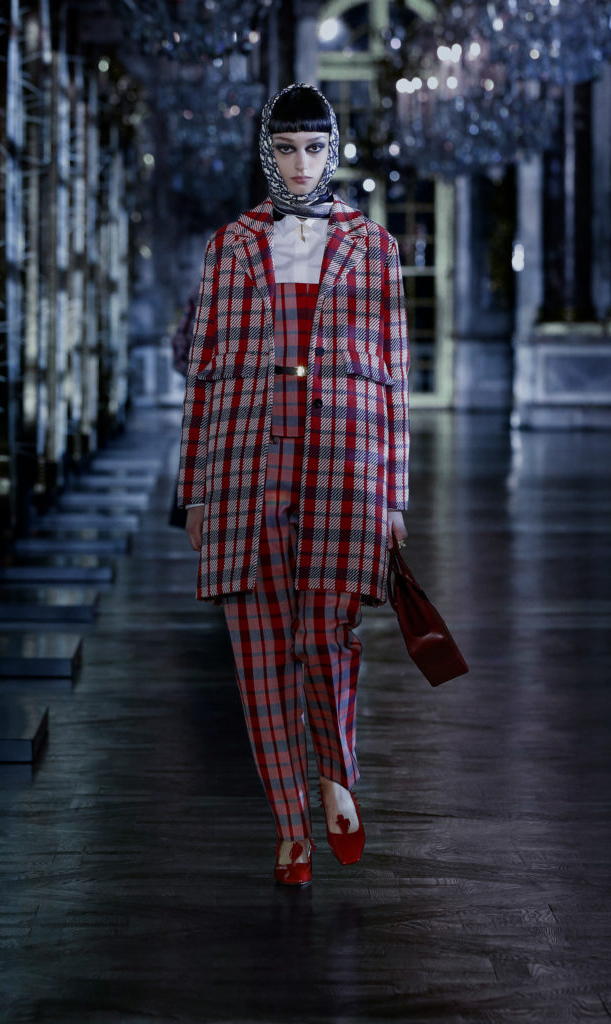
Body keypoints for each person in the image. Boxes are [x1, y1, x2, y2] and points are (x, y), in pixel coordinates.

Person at [177, 83, 410, 885]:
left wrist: (394, 497)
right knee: (259, 654)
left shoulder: (373, 248)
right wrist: (195, 489)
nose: (301, 164)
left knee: (324, 638)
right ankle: (290, 827)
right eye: (285, 148)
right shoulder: (231, 246)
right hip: (245, 468)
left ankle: (337, 777)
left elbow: (394, 380)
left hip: (342, 467)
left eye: (313, 148)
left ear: (332, 150)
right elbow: (203, 374)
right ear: (266, 153)